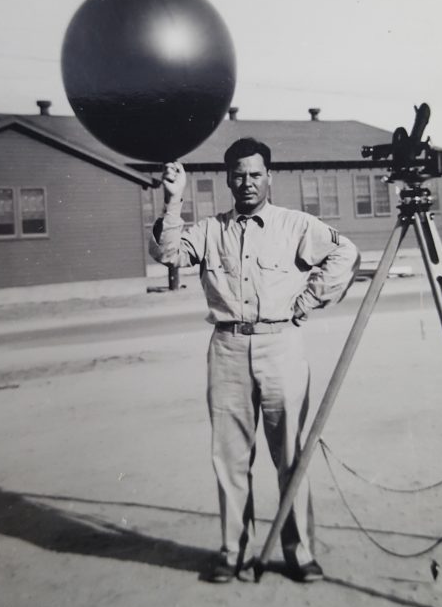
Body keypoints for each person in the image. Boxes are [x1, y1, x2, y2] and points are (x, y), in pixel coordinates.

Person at [150, 137, 359, 584]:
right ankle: (233, 552)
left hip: (280, 345)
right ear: (228, 179)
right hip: (226, 349)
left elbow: (346, 254)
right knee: (229, 458)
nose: (247, 183)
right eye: (239, 175)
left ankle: (299, 552)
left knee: (291, 455)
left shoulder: (295, 225)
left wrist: (307, 300)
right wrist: (173, 200)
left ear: (270, 177)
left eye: (256, 174)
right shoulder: (210, 230)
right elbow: (168, 253)